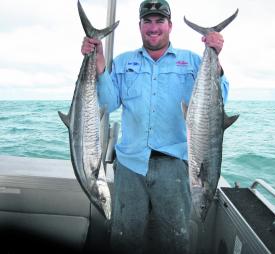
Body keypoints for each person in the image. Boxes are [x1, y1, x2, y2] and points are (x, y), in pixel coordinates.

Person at [81, 0, 228, 253]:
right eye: (147, 21)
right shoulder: (124, 62)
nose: (153, 27)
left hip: (174, 166)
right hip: (130, 166)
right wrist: (100, 63)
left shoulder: (192, 61)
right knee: (125, 238)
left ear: (170, 26)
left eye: (159, 21)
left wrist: (216, 57)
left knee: (174, 241)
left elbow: (220, 101)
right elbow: (107, 102)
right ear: (140, 26)